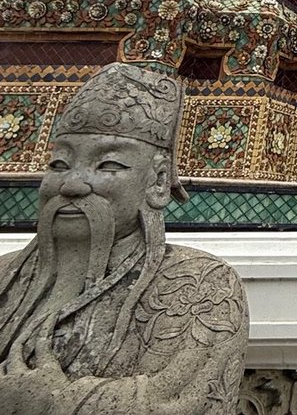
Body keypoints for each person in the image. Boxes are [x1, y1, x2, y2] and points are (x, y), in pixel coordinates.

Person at [0, 63, 249, 414]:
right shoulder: (5, 276)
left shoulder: (199, 286)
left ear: (159, 182)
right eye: (58, 165)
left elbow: (181, 402)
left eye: (108, 166)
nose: (71, 184)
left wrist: (47, 400)